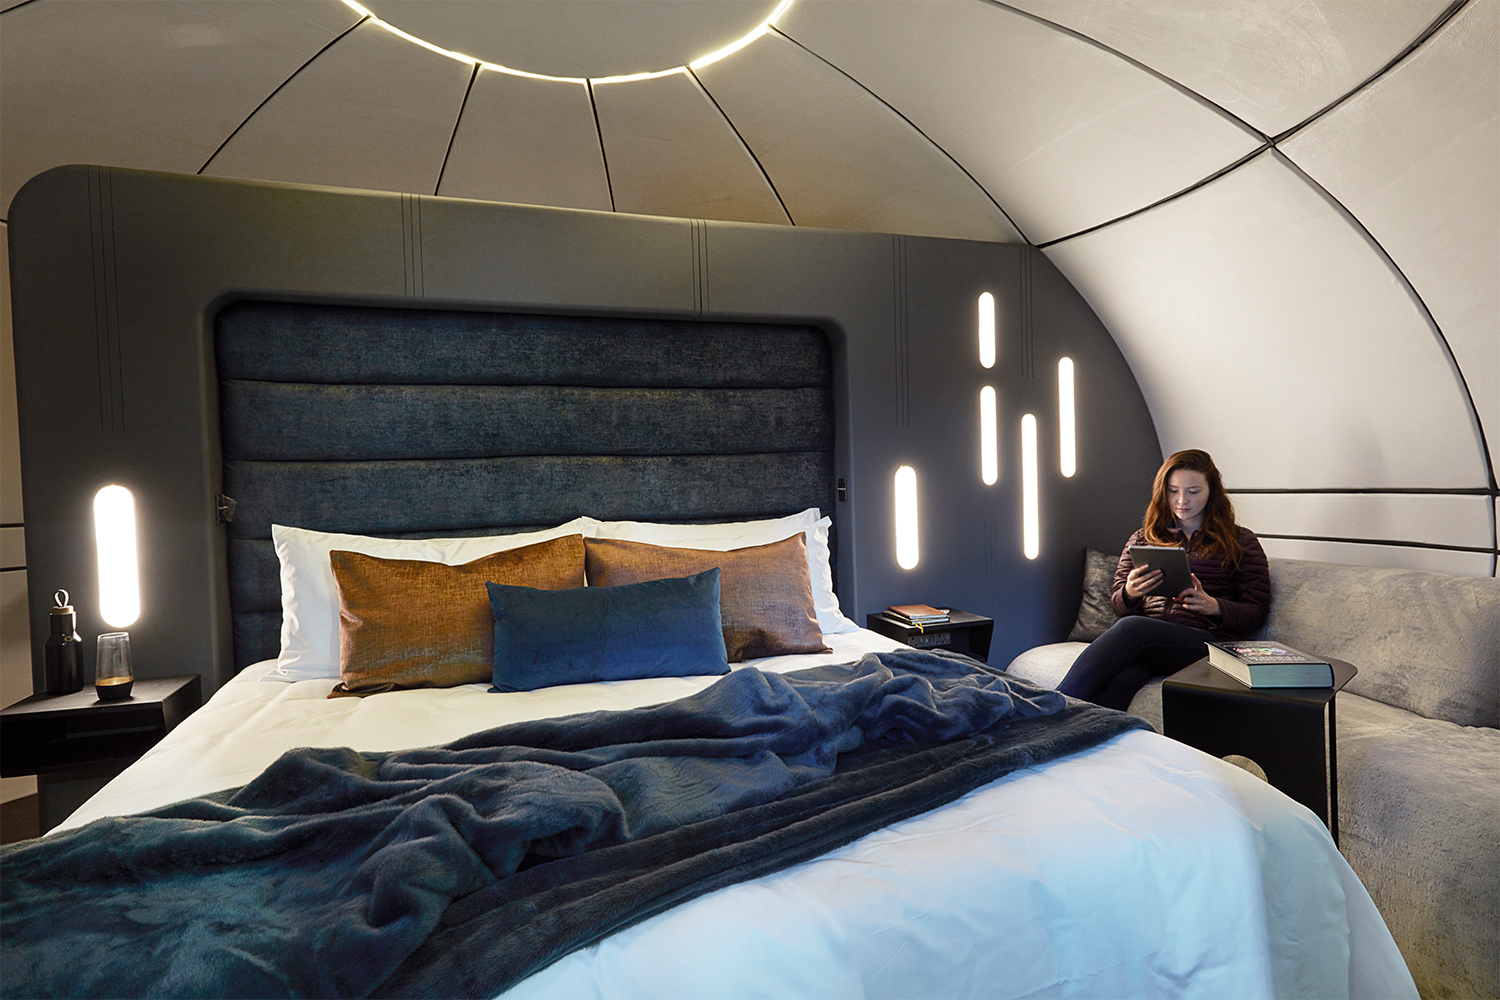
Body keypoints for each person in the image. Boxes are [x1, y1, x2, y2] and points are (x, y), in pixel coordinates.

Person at [1057, 449, 1271, 710]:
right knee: (1121, 682)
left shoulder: (1241, 541)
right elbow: (1117, 603)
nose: (1182, 500)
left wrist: (1213, 606)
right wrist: (1130, 592)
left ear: (1212, 492)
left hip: (1208, 645)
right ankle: (1078, 736)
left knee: (1133, 628)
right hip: (1153, 645)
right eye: (1173, 491)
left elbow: (1256, 611)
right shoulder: (1143, 537)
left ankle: (1050, 704)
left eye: (1193, 491)